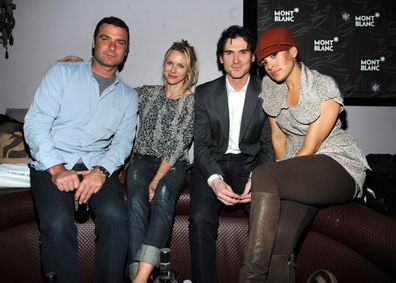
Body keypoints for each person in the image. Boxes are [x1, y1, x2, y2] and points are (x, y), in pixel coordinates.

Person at [239, 26, 370, 283]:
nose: (270, 66)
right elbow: (278, 137)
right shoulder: (271, 87)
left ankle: (249, 279)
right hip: (298, 168)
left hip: (336, 164)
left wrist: (272, 177)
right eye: (265, 62)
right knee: (280, 241)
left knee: (264, 175)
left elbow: (310, 149)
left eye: (275, 56)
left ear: (293, 51)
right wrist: (280, 174)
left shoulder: (323, 87)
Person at [23, 16, 138, 283]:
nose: (112, 47)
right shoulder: (61, 73)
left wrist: (101, 171)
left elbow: (123, 142)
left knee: (116, 218)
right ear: (93, 43)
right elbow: (36, 122)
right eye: (105, 39)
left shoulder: (129, 96)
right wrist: (56, 169)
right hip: (53, 160)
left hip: (96, 165)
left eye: (120, 42)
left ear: (126, 51)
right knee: (57, 224)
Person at [189, 25, 275, 283]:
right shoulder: (204, 93)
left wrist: (256, 176)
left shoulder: (268, 92)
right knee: (200, 218)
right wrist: (214, 180)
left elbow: (269, 146)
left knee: (266, 216)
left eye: (242, 52)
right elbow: (201, 146)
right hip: (211, 163)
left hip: (249, 164)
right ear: (220, 58)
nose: (236, 59)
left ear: (252, 57)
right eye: (229, 53)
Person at [125, 40, 198, 283]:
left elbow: (179, 143)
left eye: (180, 65)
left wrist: (157, 180)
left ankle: (140, 277)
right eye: (169, 63)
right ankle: (142, 276)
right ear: (164, 64)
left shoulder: (192, 101)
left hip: (174, 163)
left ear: (189, 71)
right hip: (142, 160)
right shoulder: (147, 93)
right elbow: (114, 91)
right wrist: (82, 66)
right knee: (135, 198)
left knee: (164, 193)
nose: (173, 70)